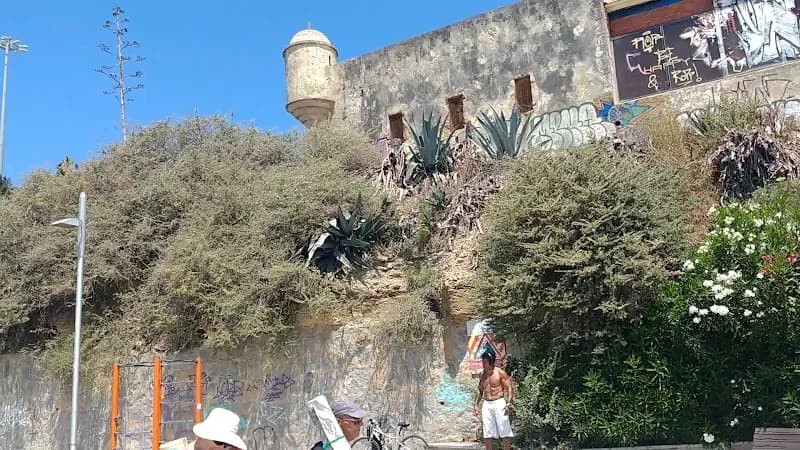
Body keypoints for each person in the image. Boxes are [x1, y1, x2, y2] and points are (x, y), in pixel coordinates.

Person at [474, 347, 514, 450]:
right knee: (487, 432)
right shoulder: (483, 376)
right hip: (487, 404)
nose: (483, 364)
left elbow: (509, 387)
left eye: (485, 362)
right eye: (482, 361)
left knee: (504, 430)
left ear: (491, 361)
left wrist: (509, 402)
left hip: (499, 403)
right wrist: (476, 405)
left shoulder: (500, 373)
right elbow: (480, 390)